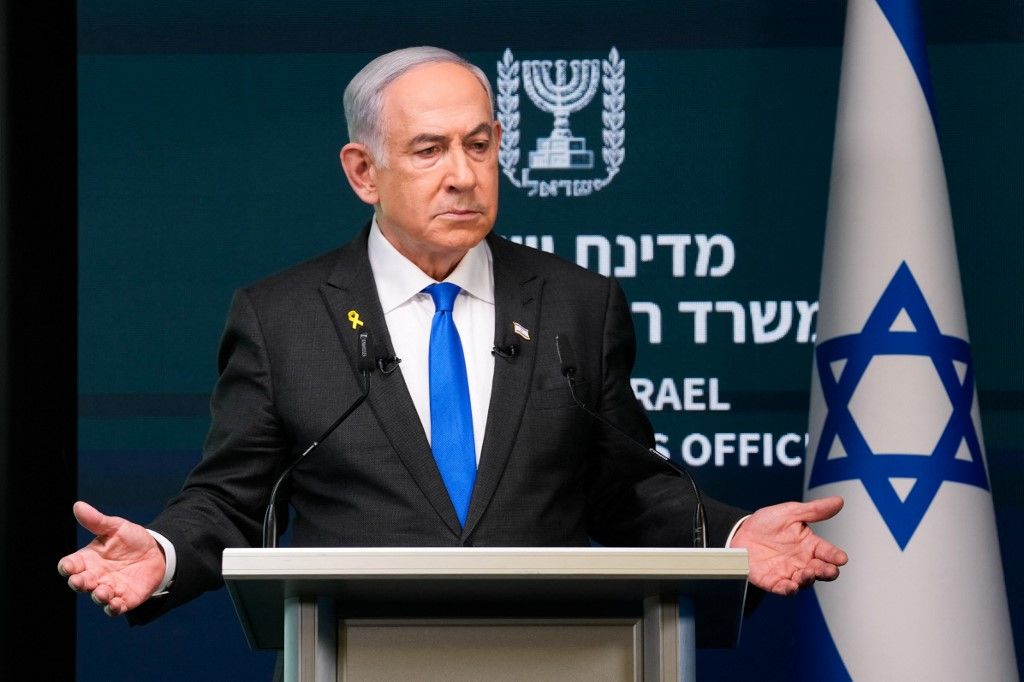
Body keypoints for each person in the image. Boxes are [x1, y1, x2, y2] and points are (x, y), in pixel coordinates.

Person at [59, 46, 847, 625]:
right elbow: (232, 500)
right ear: (363, 172)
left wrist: (735, 535)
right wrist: (162, 553)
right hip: (357, 655)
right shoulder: (284, 318)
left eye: (479, 144)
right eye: (430, 150)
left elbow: (628, 489)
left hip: (553, 657)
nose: (464, 174)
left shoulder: (578, 303)